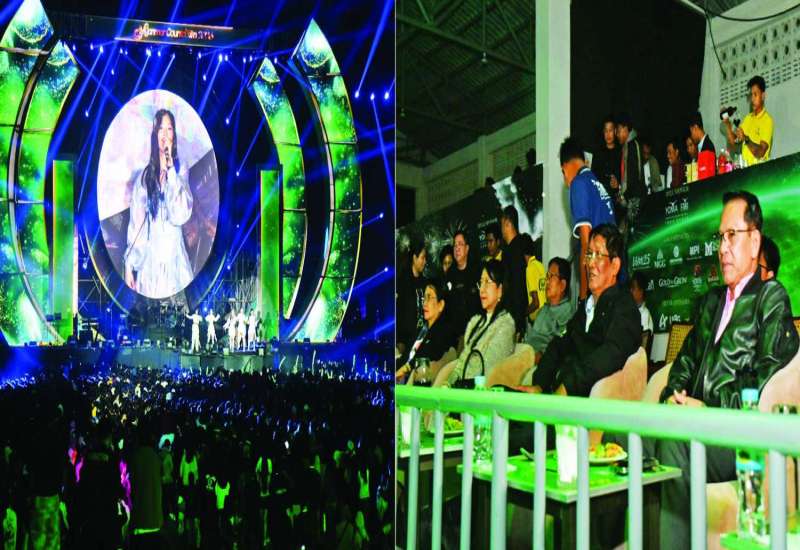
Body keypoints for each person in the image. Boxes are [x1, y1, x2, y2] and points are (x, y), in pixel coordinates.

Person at [654, 191, 798, 548]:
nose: (722, 248)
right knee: (624, 436)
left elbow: (765, 378)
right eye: (720, 237)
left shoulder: (770, 298)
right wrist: (672, 396)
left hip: (737, 434)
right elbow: (684, 362)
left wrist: (709, 408)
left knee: (674, 442)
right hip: (693, 421)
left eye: (732, 236)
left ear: (754, 242)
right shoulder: (710, 302)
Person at [527, 224, 641, 396]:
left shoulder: (624, 307)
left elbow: (611, 354)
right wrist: (539, 385)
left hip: (589, 401)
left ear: (615, 266)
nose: (590, 263)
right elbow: (559, 346)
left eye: (598, 255)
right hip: (558, 393)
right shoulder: (585, 308)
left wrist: (568, 387)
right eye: (589, 254)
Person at [125, 109, 194, 299]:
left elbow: (180, 214)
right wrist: (129, 264)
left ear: (174, 135)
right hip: (151, 265)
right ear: (155, 135)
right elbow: (137, 223)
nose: (165, 134)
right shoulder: (145, 178)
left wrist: (171, 173)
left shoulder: (180, 170)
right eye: (161, 129)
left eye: (169, 129)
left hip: (175, 264)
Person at [560, 136, 616, 301]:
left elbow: (586, 243)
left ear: (564, 167)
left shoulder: (578, 183)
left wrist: (584, 296)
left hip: (599, 277)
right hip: (612, 274)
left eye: (563, 174)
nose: (566, 182)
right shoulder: (597, 184)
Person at [444, 260, 516, 387]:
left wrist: (457, 388)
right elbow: (461, 363)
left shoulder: (506, 326)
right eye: (481, 282)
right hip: (463, 388)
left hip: (481, 392)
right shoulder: (477, 322)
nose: (481, 289)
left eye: (487, 282)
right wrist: (448, 384)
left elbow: (486, 369)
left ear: (500, 290)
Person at [395, 279, 456, 383]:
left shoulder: (444, 331)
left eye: (429, 297)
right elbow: (406, 357)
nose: (424, 304)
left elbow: (429, 357)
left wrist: (405, 369)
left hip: (417, 380)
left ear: (441, 305)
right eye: (424, 298)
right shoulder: (421, 329)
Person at [523, 257, 575, 367]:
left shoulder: (566, 313)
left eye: (551, 276)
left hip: (541, 364)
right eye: (547, 276)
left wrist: (539, 356)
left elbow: (560, 347)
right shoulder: (544, 309)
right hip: (525, 354)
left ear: (562, 285)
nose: (546, 281)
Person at [723, 75, 773, 167]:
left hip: (760, 170)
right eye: (751, 95)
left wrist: (746, 138)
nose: (752, 99)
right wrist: (727, 124)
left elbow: (761, 152)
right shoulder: (748, 118)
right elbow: (734, 142)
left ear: (763, 96)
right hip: (746, 169)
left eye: (755, 94)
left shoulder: (767, 119)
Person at [500, 205, 529, 337]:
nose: (501, 230)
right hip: (515, 315)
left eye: (502, 225)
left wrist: (515, 320)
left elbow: (517, 285)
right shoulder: (518, 247)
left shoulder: (513, 251)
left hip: (514, 317)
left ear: (507, 223)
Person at [614, 113, 645, 236]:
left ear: (626, 128)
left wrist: (623, 197)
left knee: (631, 238)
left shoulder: (633, 145)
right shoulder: (627, 146)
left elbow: (634, 176)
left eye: (618, 131)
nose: (617, 135)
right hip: (630, 199)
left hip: (634, 200)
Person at [396, 237, 427, 357]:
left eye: (425, 258)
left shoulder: (424, 282)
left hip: (420, 339)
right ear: (414, 258)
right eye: (422, 258)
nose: (425, 261)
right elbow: (398, 312)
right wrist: (400, 340)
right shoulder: (402, 281)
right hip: (406, 341)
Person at [446, 231, 481, 336]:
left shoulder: (477, 271)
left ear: (467, 248)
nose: (457, 248)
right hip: (458, 334)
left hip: (477, 330)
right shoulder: (450, 274)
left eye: (460, 244)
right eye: (455, 245)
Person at [593, 116, 622, 198]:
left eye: (610, 130)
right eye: (606, 131)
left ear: (615, 131)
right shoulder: (598, 152)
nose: (608, 134)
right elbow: (594, 175)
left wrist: (618, 184)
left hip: (616, 197)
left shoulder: (621, 152)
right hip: (600, 196)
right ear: (603, 132)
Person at [520, 233, 546, 323]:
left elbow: (536, 303)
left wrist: (522, 314)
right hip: (546, 314)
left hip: (538, 319)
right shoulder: (540, 265)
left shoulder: (530, 269)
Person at [688, 111, 716, 179]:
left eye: (691, 132)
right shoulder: (700, 146)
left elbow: (707, 176)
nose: (691, 136)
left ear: (695, 128)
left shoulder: (708, 146)